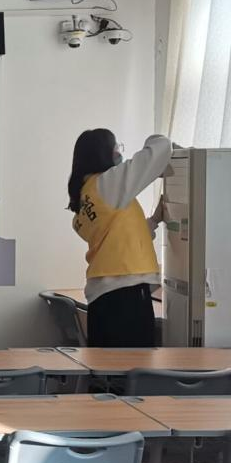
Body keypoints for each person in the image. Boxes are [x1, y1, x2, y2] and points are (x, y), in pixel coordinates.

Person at [68, 129, 172, 347]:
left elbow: (115, 238)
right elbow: (161, 148)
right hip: (126, 296)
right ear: (105, 153)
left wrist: (154, 220)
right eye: (116, 147)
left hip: (103, 299)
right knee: (136, 365)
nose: (119, 152)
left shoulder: (86, 198)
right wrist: (167, 145)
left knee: (107, 367)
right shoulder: (107, 184)